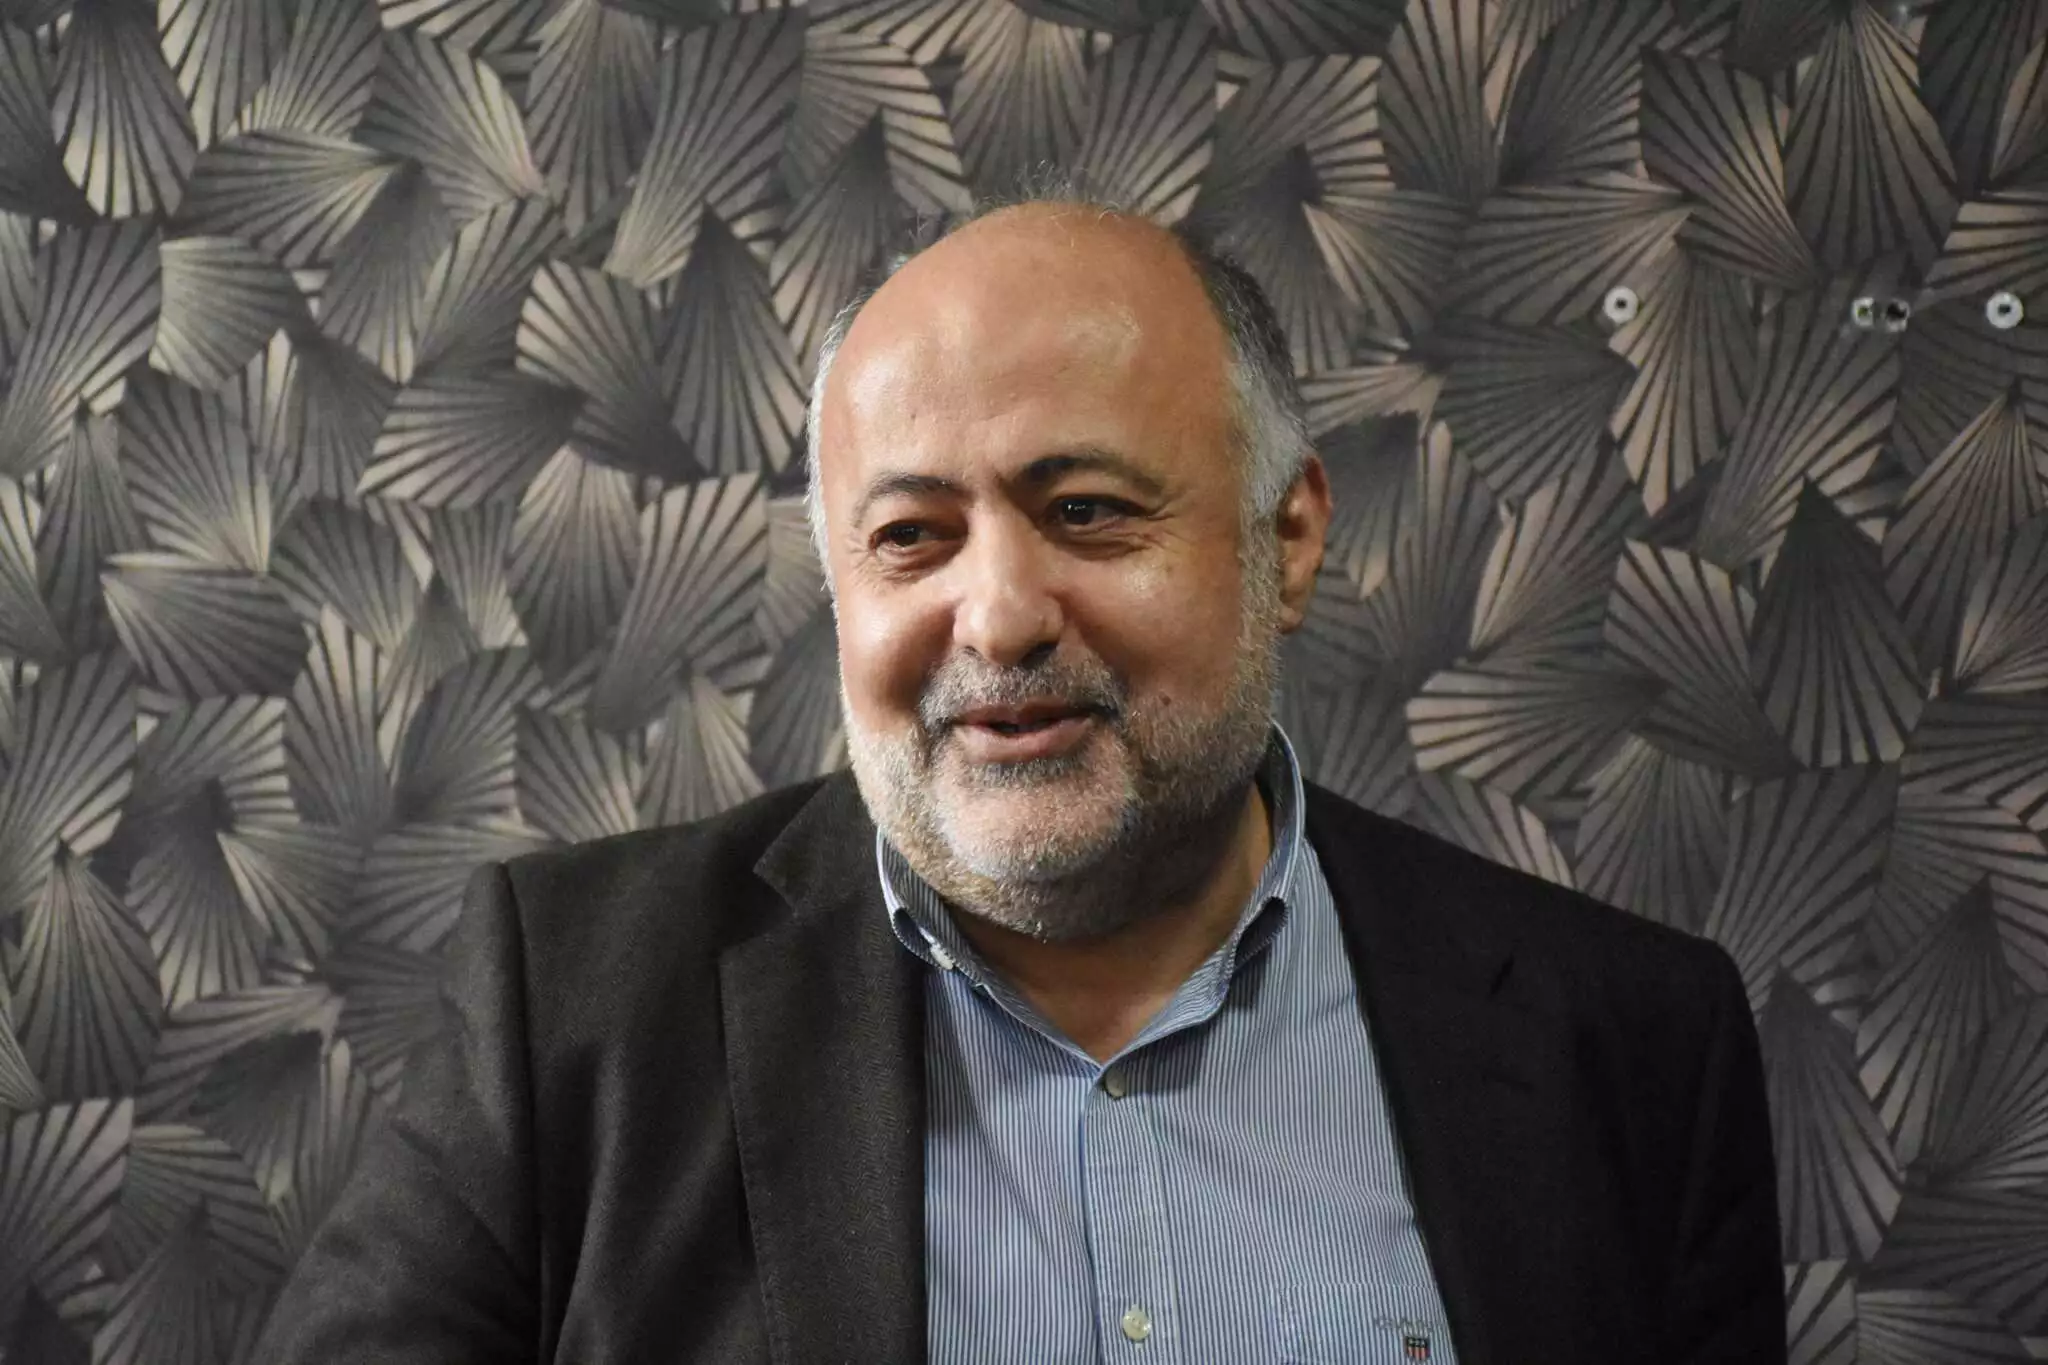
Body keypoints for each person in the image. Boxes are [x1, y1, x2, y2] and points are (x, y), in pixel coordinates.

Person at [253, 194, 1785, 1364]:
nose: (995, 618)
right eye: (910, 537)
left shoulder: (1633, 1043)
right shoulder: (570, 1009)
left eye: (1089, 510)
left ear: (1288, 538)